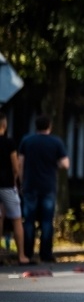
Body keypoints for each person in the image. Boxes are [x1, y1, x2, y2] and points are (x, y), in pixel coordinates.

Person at [18, 115, 70, 263]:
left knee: (29, 220)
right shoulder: (56, 142)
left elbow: (20, 163)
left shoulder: (27, 141)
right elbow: (65, 164)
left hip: (30, 184)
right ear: (49, 126)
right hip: (48, 186)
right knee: (47, 221)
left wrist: (22, 182)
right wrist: (55, 164)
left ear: (36, 126)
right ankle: (46, 254)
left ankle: (27, 253)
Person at [0, 112, 26, 264]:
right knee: (16, 218)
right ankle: (21, 255)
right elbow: (15, 166)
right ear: (4, 125)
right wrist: (15, 178)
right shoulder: (9, 143)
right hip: (7, 185)